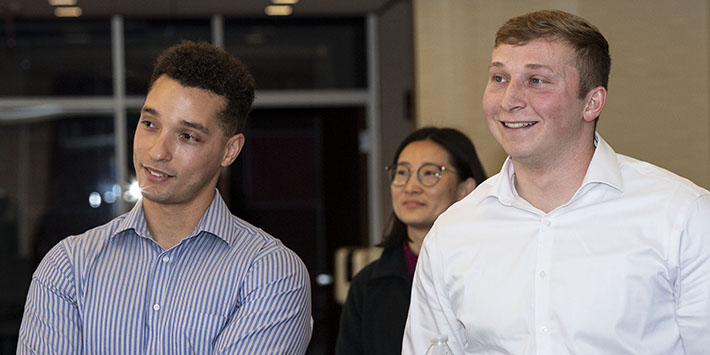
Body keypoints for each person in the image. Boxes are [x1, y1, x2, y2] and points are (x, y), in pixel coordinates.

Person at [403, 9, 710, 355]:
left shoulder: (683, 216)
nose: (509, 100)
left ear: (592, 102)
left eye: (536, 80)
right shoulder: (453, 232)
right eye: (499, 78)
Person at [17, 41, 312, 354]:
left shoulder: (270, 273)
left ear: (229, 150)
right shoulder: (69, 266)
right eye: (149, 124)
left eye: (187, 136)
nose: (157, 152)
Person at [336, 127, 487, 355]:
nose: (411, 187)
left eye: (429, 173)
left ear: (465, 189)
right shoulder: (367, 285)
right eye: (402, 172)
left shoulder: (491, 271)